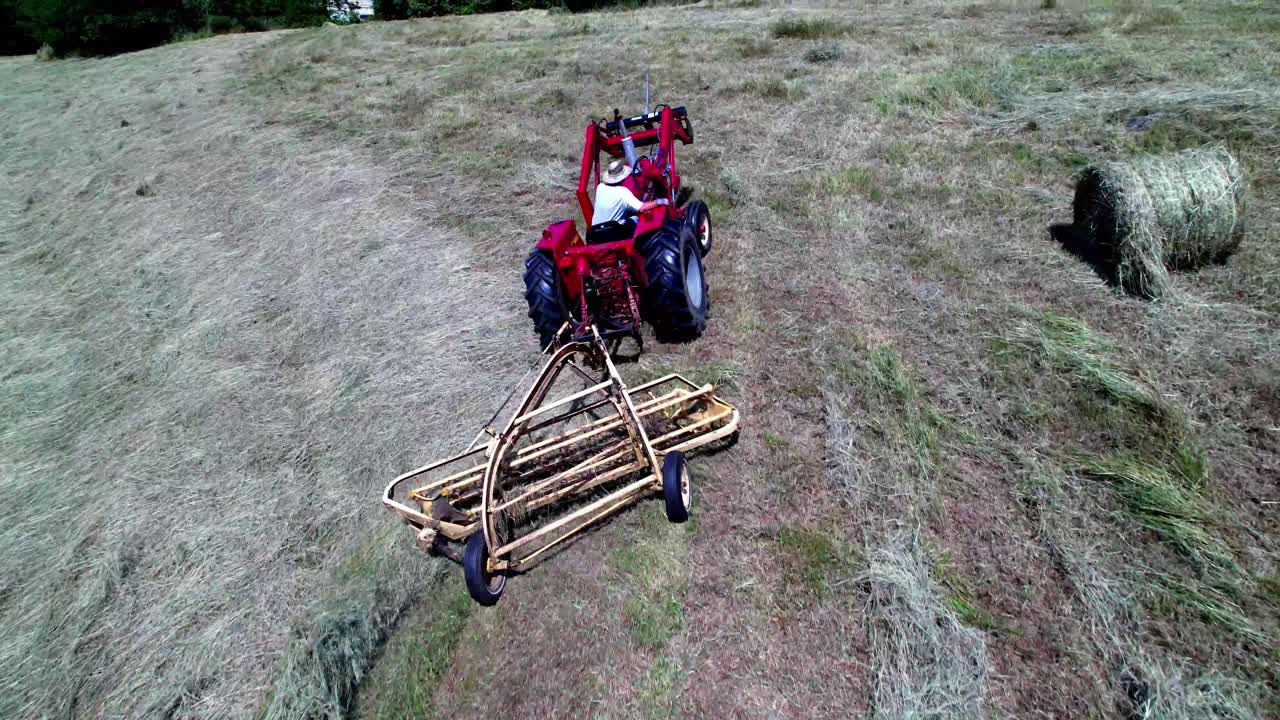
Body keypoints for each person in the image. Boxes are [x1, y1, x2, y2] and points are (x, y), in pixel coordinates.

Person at [592, 158, 668, 227]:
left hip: (595, 232)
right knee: (636, 218)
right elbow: (642, 207)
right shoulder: (622, 192)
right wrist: (660, 201)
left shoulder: (600, 188)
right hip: (613, 232)